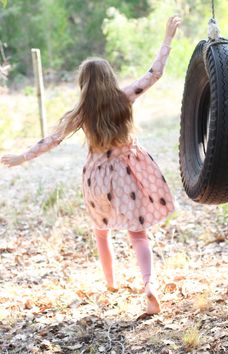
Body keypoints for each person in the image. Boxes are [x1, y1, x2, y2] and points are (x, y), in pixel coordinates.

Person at [1, 16, 181, 315]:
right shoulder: (123, 98)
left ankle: (110, 283)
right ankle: (149, 284)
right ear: (110, 77)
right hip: (127, 174)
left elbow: (52, 140)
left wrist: (22, 157)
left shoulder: (81, 112)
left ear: (83, 84)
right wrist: (167, 39)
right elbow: (154, 73)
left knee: (101, 231)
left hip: (97, 180)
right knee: (137, 234)